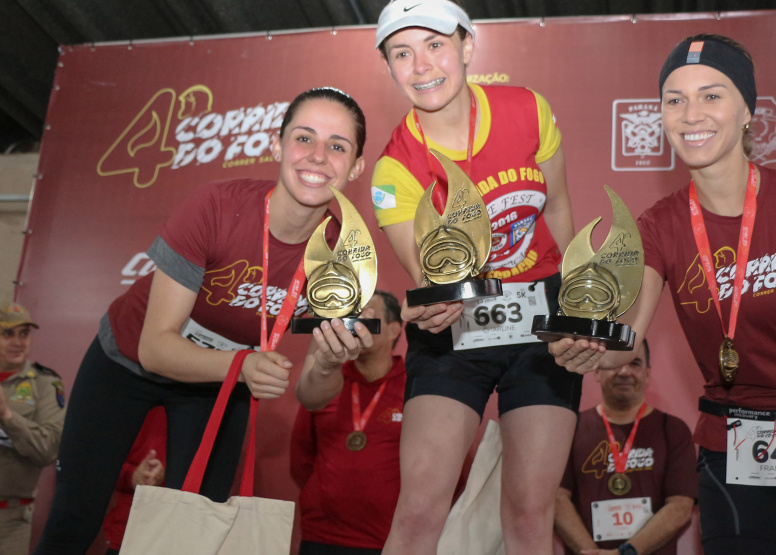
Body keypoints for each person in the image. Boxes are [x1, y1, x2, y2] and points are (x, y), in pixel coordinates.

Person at [549, 34, 776, 554]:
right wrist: (582, 346)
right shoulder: (657, 225)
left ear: (747, 112)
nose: (691, 114)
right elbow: (627, 338)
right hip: (732, 441)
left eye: (712, 95)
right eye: (675, 100)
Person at [35, 86, 376, 553]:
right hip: (127, 361)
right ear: (277, 145)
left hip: (220, 386)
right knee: (77, 515)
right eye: (304, 138)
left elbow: (312, 396)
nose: (317, 157)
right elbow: (157, 347)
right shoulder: (215, 207)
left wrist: (328, 364)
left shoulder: (344, 254)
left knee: (194, 533)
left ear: (355, 166)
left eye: (338, 146)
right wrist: (243, 366)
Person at [371, 1, 582, 552]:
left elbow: (557, 209)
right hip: (457, 327)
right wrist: (429, 306)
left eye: (435, 45)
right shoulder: (395, 169)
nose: (420, 66)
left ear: (467, 47)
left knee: (530, 511)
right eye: (402, 53)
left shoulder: (528, 110)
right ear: (389, 68)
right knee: (419, 507)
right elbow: (430, 276)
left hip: (543, 319)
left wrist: (578, 295)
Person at [290, 290, 406, 555]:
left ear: (393, 330)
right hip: (320, 535)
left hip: (389, 540)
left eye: (368, 318)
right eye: (353, 317)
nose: (355, 326)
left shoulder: (415, 388)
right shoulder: (324, 382)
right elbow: (301, 457)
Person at [555, 339, 696, 555]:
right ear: (596, 372)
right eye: (614, 364)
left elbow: (681, 506)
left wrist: (627, 552)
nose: (624, 371)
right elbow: (557, 499)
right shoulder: (570, 428)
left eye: (635, 363)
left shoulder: (674, 430)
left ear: (647, 373)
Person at [0, 302, 66, 555]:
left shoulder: (45, 384)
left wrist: (7, 415)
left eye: (24, 333)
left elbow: (49, 449)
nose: (18, 342)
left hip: (10, 521)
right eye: (8, 333)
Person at [102, 406, 167, 554]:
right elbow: (96, 465)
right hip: (127, 533)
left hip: (180, 535)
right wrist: (132, 476)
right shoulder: (130, 399)